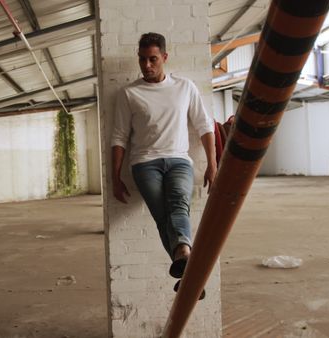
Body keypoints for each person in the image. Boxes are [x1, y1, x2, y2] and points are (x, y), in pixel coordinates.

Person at [110, 32, 217, 299]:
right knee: (162, 216)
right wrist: (115, 176)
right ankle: (187, 261)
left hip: (180, 160)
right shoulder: (129, 93)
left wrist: (213, 165)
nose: (147, 65)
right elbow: (119, 137)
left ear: (165, 58)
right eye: (142, 59)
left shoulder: (185, 87)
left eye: (153, 59)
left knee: (179, 204)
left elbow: (205, 127)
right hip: (144, 164)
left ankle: (183, 255)